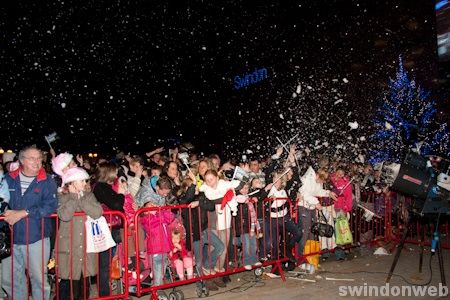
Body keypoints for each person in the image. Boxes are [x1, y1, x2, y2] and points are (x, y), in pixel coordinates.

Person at [2, 145, 58, 300]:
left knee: (39, 279)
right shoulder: (8, 179)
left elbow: (50, 206)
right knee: (10, 279)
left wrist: (23, 213)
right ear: (21, 160)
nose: (37, 162)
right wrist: (5, 210)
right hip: (11, 238)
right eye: (32, 158)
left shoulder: (47, 181)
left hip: (36, 237)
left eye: (39, 158)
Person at [57, 167, 103, 300]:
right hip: (70, 245)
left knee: (85, 280)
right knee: (71, 279)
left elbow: (97, 212)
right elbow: (65, 215)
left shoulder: (89, 195)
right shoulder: (62, 196)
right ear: (71, 182)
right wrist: (73, 198)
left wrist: (80, 198)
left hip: (86, 245)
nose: (85, 183)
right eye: (82, 180)